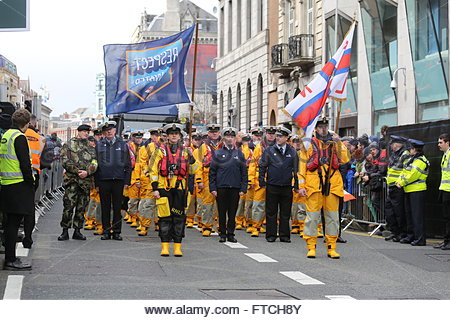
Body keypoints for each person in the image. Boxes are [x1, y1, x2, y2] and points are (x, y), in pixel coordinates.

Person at [298, 117, 349, 259]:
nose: (323, 129)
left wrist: (339, 143)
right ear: (315, 129)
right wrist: (301, 186)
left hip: (333, 186)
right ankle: (311, 246)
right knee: (312, 218)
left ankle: (331, 247)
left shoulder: (334, 144)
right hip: (313, 186)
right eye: (320, 127)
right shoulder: (307, 144)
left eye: (325, 127)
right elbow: (301, 167)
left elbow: (344, 159)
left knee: (332, 218)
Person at [150, 123, 198, 256]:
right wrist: (155, 188)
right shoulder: (160, 151)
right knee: (164, 218)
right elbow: (153, 169)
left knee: (179, 218)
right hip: (163, 188)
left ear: (180, 136)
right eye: (171, 134)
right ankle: (164, 246)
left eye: (176, 134)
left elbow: (194, 170)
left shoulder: (186, 151)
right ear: (167, 136)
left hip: (180, 189)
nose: (174, 136)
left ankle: (177, 246)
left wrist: (192, 157)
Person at [0, 109, 34, 270]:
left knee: (9, 223)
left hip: (6, 183)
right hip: (18, 184)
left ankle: (10, 257)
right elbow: (25, 164)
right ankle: (11, 260)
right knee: (14, 223)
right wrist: (31, 181)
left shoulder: (6, 136)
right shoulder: (19, 137)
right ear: (26, 124)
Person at [58, 124, 98, 241]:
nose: (86, 134)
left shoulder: (91, 147)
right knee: (68, 207)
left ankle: (77, 230)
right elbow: (65, 161)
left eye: (88, 132)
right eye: (84, 131)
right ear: (78, 132)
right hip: (72, 181)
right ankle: (64, 231)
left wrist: (87, 172)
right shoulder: (69, 145)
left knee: (82, 207)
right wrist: (77, 171)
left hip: (85, 181)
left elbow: (95, 162)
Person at [259, 126, 298, 243]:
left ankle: (284, 235)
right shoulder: (269, 151)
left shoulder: (292, 152)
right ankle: (271, 235)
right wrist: (262, 181)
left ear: (287, 138)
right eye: (277, 136)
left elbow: (297, 170)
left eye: (281, 136)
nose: (278, 138)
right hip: (272, 185)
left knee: (285, 212)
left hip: (286, 186)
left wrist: (296, 185)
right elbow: (262, 166)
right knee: (271, 212)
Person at [209, 127, 247, 243]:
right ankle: (222, 233)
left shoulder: (239, 154)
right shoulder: (218, 153)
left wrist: (243, 188)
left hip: (235, 188)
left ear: (235, 139)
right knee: (221, 212)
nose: (230, 139)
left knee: (232, 212)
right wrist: (213, 188)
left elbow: (244, 172)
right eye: (228, 137)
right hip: (221, 187)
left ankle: (231, 233)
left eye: (232, 137)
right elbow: (212, 172)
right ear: (224, 138)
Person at [95, 121, 132, 241]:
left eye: (111, 129)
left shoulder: (123, 144)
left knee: (117, 207)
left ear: (115, 130)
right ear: (103, 132)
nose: (109, 132)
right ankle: (106, 231)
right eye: (106, 130)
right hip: (103, 180)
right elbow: (95, 165)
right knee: (105, 207)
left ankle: (116, 231)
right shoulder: (99, 145)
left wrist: (127, 181)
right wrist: (96, 183)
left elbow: (128, 164)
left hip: (118, 180)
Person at [396, 139, 429, 246]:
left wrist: (401, 183)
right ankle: (411, 236)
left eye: (411, 148)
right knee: (409, 215)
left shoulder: (420, 161)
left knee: (417, 216)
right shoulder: (412, 160)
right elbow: (404, 172)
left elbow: (413, 175)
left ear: (415, 149)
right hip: (409, 190)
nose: (409, 150)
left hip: (417, 191)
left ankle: (420, 239)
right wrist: (399, 181)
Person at [247, 126, 277, 237]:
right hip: (260, 179)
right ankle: (256, 227)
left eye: (273, 134)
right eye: (269, 133)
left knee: (272, 205)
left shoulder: (279, 147)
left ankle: (269, 226)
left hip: (274, 179)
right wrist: (250, 179)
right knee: (258, 205)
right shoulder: (259, 147)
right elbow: (253, 164)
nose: (271, 135)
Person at [194, 124, 222, 236]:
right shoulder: (202, 147)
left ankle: (221, 226)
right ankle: (207, 226)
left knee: (222, 204)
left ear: (219, 133)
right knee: (207, 204)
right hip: (207, 177)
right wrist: (199, 180)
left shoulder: (224, 145)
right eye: (211, 132)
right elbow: (198, 165)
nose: (214, 134)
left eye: (216, 132)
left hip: (222, 177)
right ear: (208, 133)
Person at [384, 135, 411, 242]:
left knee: (399, 212)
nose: (390, 146)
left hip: (398, 187)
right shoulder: (394, 154)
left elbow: (406, 171)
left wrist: (400, 182)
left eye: (392, 144)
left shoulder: (405, 154)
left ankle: (401, 233)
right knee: (390, 211)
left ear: (396, 144)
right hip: (391, 187)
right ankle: (394, 232)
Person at [125, 131, 145, 228]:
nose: (138, 139)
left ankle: (140, 219)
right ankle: (132, 217)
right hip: (132, 175)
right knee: (133, 200)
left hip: (143, 176)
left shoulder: (146, 148)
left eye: (140, 138)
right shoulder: (129, 147)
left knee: (142, 200)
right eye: (136, 138)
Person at [435, 133, 450, 250]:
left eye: (441, 142)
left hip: (449, 191)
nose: (438, 145)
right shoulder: (445, 155)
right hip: (445, 189)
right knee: (446, 217)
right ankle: (446, 241)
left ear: (447, 143)